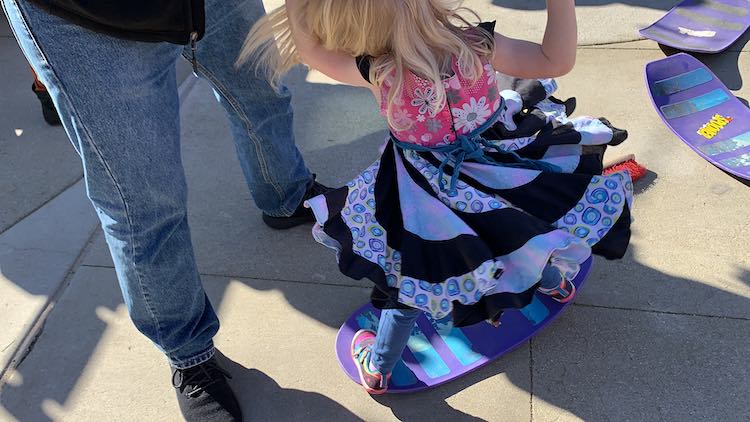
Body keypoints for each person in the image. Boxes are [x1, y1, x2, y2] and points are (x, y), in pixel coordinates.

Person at [243, 0, 633, 395]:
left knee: (415, 275)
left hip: (422, 194)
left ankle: (379, 368)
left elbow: (310, 51)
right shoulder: (477, 44)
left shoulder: (380, 70)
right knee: (515, 234)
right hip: (495, 171)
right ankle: (554, 283)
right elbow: (555, 60)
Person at [3, 0, 329, 419]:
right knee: (144, 202)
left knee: (261, 88)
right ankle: (189, 354)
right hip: (84, 19)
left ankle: (286, 194)